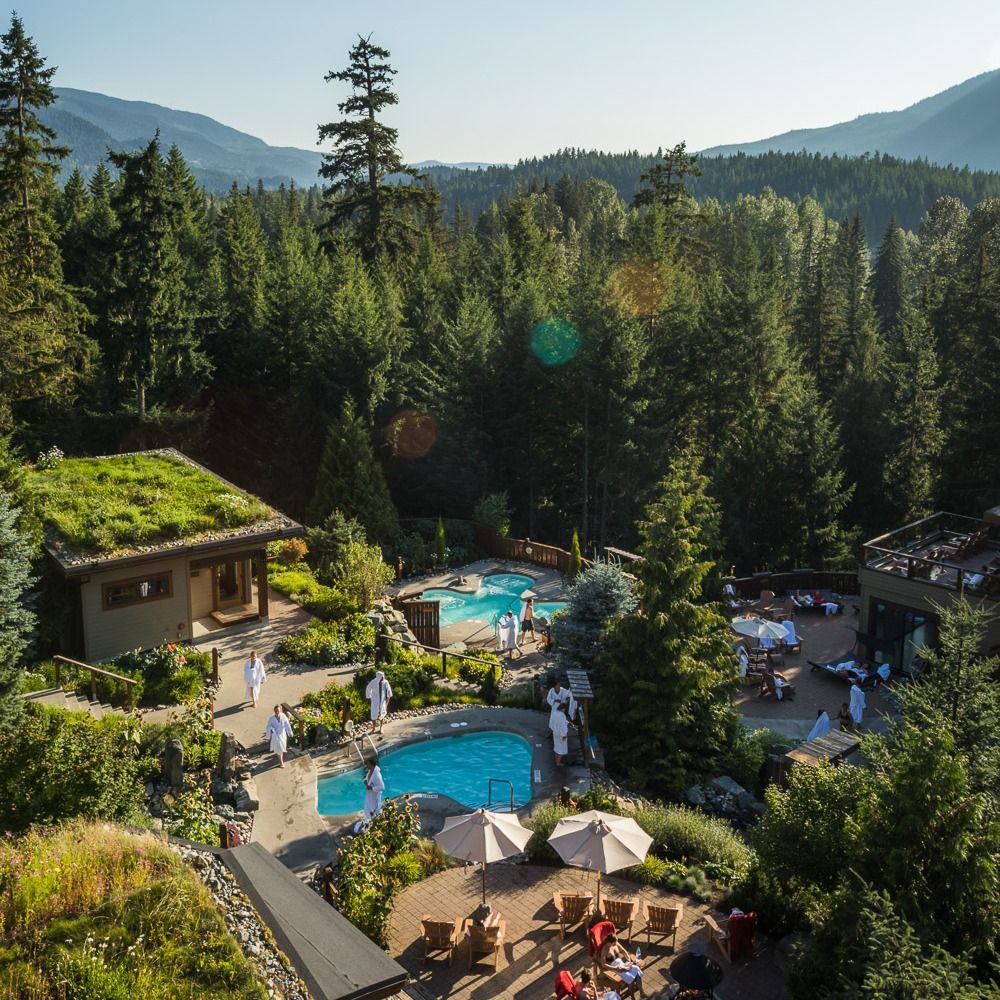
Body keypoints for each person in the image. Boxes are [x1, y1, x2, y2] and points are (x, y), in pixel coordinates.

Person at [365, 670, 393, 735]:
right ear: (378, 677)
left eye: (383, 677)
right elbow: (368, 688)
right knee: (373, 714)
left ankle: (381, 727)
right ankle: (374, 728)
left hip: (382, 701)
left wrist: (388, 699)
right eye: (382, 677)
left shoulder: (385, 682)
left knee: (382, 714)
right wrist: (369, 697)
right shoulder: (373, 682)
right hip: (375, 700)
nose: (383, 678)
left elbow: (388, 690)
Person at [362, 756, 385, 822]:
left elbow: (382, 787)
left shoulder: (377, 775)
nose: (367, 765)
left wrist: (372, 788)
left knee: (375, 810)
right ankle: (368, 822)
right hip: (369, 795)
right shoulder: (370, 771)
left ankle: (375, 821)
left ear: (371, 764)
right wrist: (365, 781)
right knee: (367, 808)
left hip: (375, 797)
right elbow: (367, 778)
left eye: (368, 764)